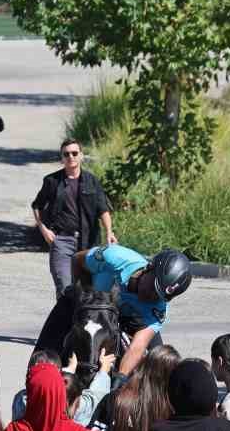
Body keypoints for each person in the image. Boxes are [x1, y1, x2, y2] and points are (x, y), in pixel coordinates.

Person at [35, 243, 193, 376]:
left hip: (130, 318)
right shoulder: (114, 257)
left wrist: (120, 379)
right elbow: (77, 260)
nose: (151, 297)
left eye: (159, 296)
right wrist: (83, 300)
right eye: (152, 287)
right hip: (91, 302)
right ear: (149, 268)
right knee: (44, 351)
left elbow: (137, 347)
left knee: (159, 366)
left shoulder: (157, 310)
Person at [32, 138, 115, 299]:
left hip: (89, 242)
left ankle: (85, 322)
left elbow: (103, 209)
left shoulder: (92, 181)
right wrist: (43, 229)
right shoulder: (52, 181)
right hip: (62, 241)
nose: (71, 157)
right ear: (62, 158)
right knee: (65, 288)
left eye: (74, 153)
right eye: (66, 154)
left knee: (89, 288)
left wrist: (109, 232)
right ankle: (65, 323)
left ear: (81, 156)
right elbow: (37, 206)